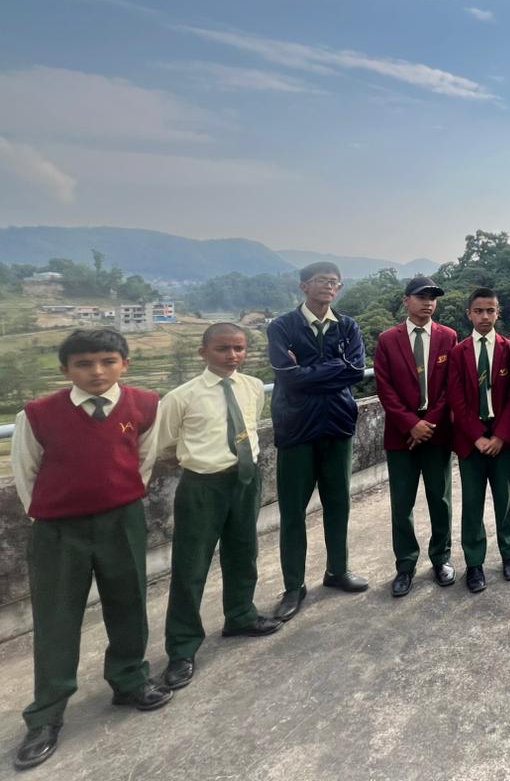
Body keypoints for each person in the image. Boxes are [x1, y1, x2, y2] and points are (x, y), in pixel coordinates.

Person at [9, 329, 170, 771]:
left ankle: (129, 680)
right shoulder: (38, 415)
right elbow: (26, 473)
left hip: (122, 519)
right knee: (57, 617)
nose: (97, 372)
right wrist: (52, 515)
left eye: (107, 361)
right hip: (59, 528)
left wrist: (119, 498)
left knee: (129, 601)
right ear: (66, 370)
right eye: (83, 364)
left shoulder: (144, 405)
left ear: (125, 364)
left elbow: (144, 460)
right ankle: (46, 714)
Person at [154, 324, 281, 695]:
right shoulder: (181, 397)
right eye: (223, 349)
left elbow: (250, 426)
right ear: (204, 352)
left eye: (239, 348)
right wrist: (200, 462)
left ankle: (240, 615)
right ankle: (182, 647)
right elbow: (163, 446)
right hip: (202, 485)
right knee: (191, 565)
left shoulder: (252, 386)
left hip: (245, 479)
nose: (232, 356)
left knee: (243, 551)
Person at [267, 262, 368, 622]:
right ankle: (293, 586)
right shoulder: (282, 327)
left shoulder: (348, 326)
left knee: (338, 503)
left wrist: (307, 371)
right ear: (304, 286)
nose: (329, 286)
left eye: (335, 282)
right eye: (322, 281)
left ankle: (337, 571)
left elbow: (355, 371)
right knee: (293, 511)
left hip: (338, 425)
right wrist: (333, 369)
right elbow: (287, 377)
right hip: (296, 429)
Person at [374, 276, 457, 598]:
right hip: (401, 436)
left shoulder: (448, 336)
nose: (428, 302)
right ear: (406, 300)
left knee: (441, 499)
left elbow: (451, 387)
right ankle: (405, 564)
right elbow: (385, 388)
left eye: (433, 297)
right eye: (422, 296)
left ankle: (441, 558)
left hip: (436, 433)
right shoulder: (387, 340)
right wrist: (410, 424)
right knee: (402, 503)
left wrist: (428, 423)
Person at [446, 288, 510, 593]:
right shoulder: (458, 352)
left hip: (502, 438)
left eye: (490, 311)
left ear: (498, 313)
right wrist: (477, 436)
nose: (485, 316)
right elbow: (456, 399)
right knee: (472, 502)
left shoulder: (509, 348)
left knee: (504, 499)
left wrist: (501, 435)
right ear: (469, 314)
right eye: (479, 311)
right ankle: (474, 563)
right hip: (470, 440)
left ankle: (509, 553)